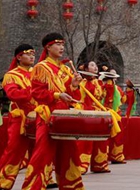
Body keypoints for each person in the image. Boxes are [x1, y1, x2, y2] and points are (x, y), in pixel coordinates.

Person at [21, 33, 85, 190]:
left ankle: (72, 187)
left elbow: (73, 97)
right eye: (57, 44)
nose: (61, 47)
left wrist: (74, 85)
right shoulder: (41, 68)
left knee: (69, 154)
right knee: (42, 154)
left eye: (62, 44)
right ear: (48, 47)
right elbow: (36, 93)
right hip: (47, 116)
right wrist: (57, 95)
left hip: (64, 117)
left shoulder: (64, 69)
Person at [0, 44, 38, 189]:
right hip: (19, 117)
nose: (32, 57)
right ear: (19, 57)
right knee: (14, 150)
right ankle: (4, 181)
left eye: (33, 54)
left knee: (39, 150)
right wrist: (32, 91)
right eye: (28, 54)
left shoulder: (37, 73)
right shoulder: (12, 75)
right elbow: (13, 94)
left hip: (37, 117)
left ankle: (40, 180)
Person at [77, 60, 111, 175]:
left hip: (98, 112)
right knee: (86, 140)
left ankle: (99, 164)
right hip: (86, 111)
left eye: (96, 65)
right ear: (86, 69)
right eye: (92, 65)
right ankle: (82, 164)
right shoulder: (82, 82)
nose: (95, 67)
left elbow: (102, 96)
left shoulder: (98, 82)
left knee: (101, 139)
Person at [101, 68, 126, 164]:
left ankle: (117, 155)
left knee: (117, 136)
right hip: (106, 113)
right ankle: (106, 157)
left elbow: (123, 100)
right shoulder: (103, 87)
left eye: (114, 76)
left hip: (116, 114)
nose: (112, 79)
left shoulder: (118, 89)